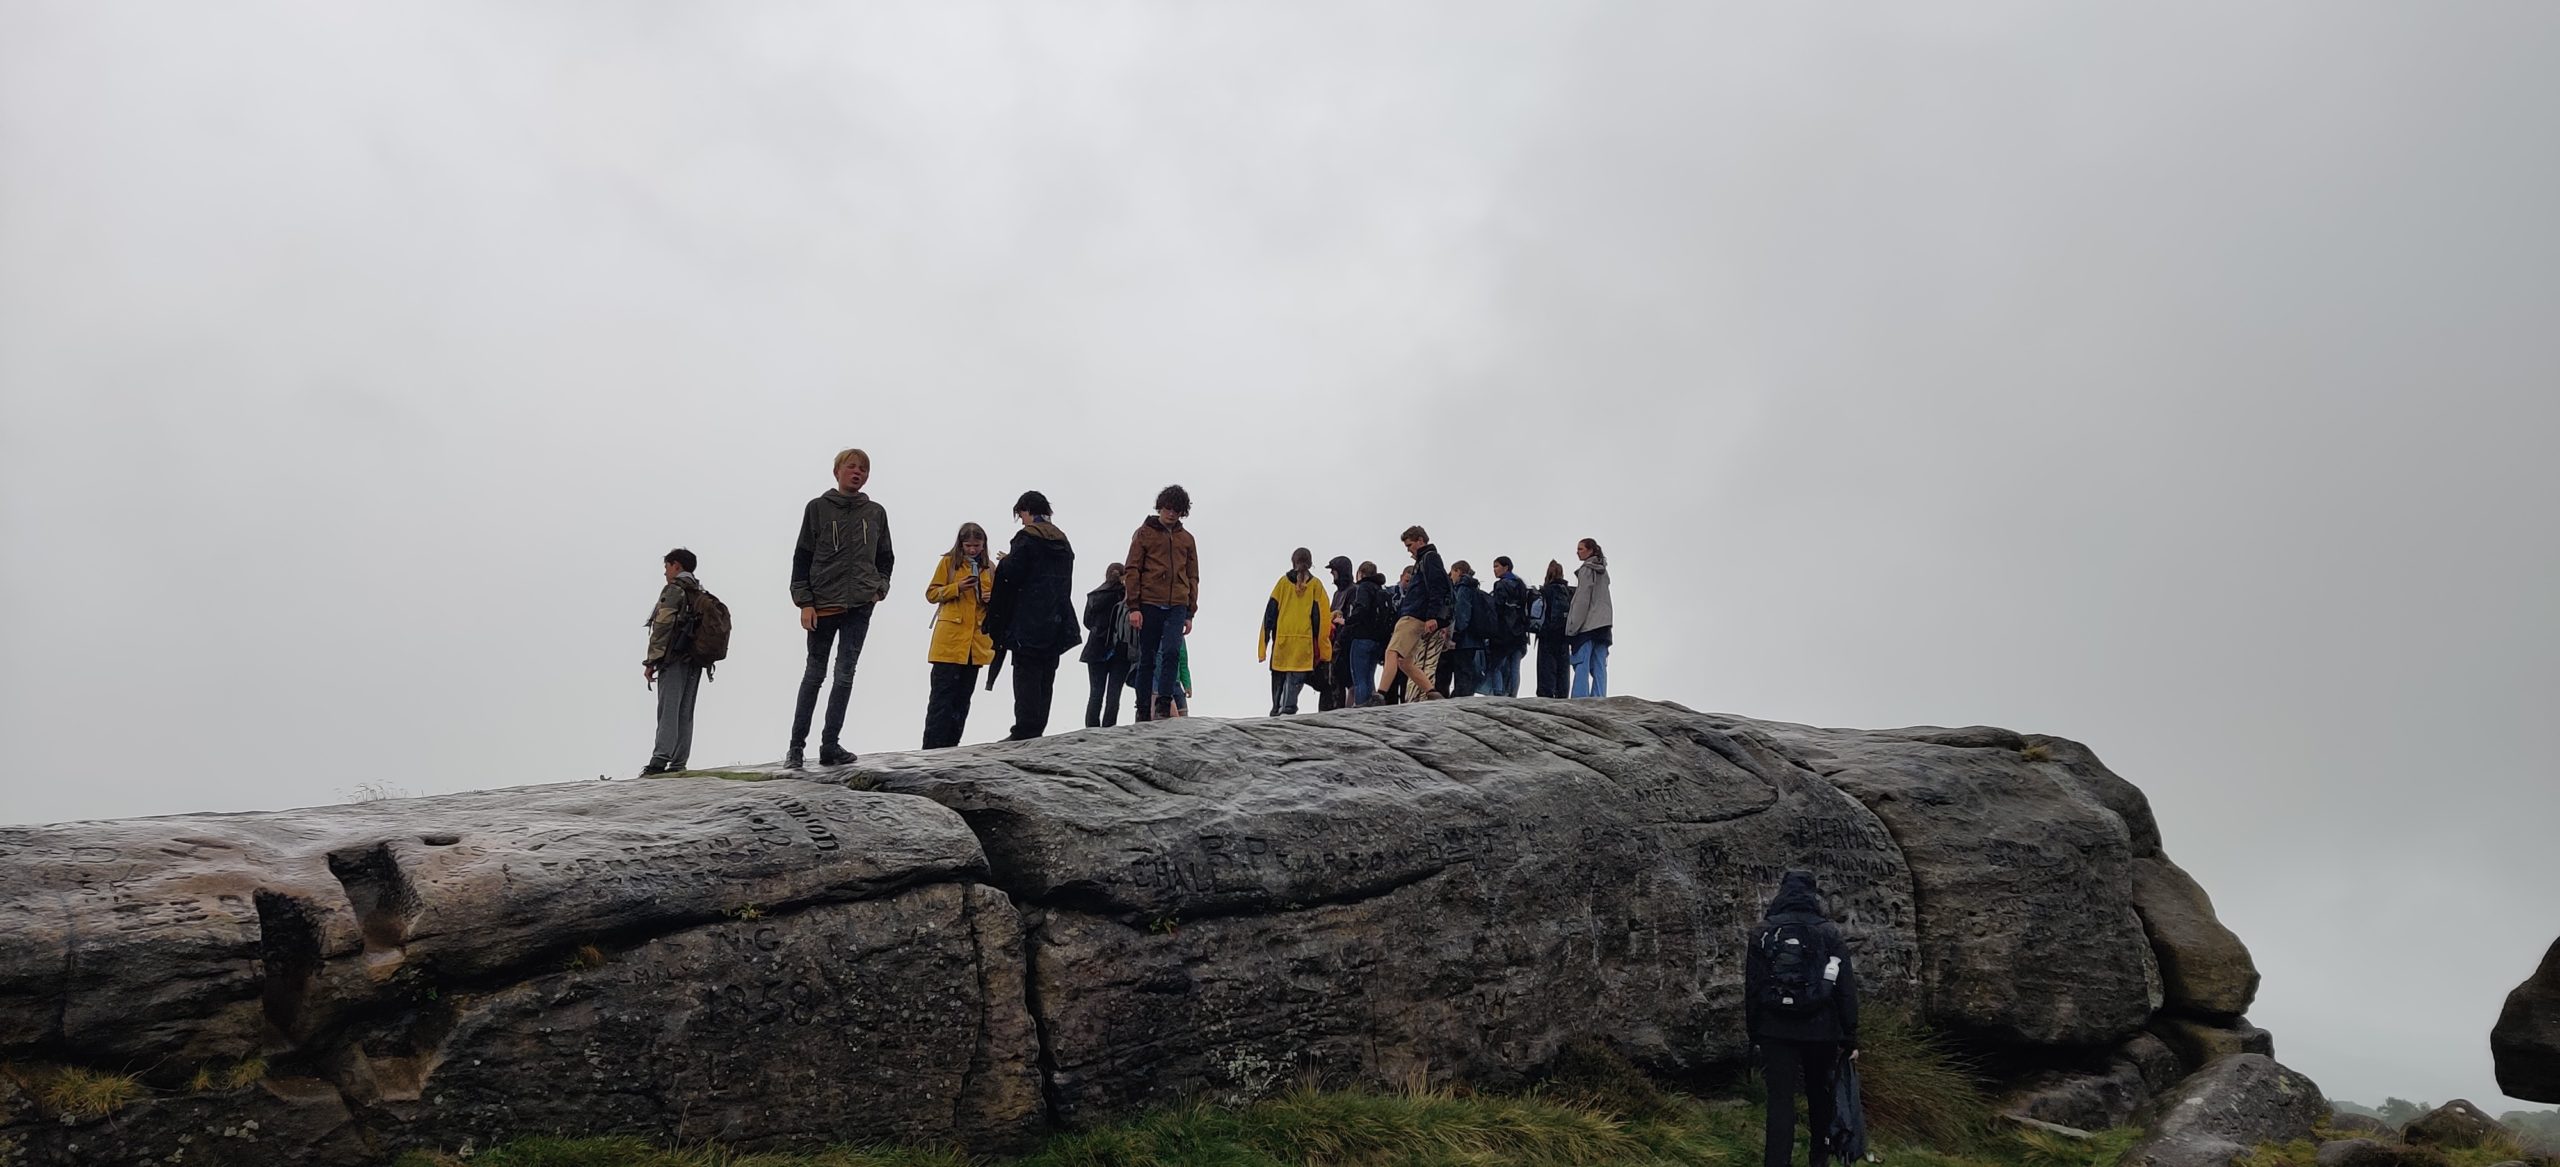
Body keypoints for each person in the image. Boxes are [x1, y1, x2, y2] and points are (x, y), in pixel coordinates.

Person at [1745, 870, 1861, 1167]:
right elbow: (1845, 987)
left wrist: (1754, 1031)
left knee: (1780, 1102)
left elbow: (1753, 986)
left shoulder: (1763, 931)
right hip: (1820, 1029)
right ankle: (1818, 1160)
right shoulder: (1828, 931)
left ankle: (1776, 1163)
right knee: (1819, 1096)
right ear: (1813, 895)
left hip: (1774, 1028)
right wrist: (1850, 1035)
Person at [787, 448, 893, 769]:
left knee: (845, 675)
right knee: (814, 675)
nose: (857, 472)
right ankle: (795, 749)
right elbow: (802, 558)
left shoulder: (875, 512)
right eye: (851, 467)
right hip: (823, 605)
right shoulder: (817, 508)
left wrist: (879, 589)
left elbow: (885, 557)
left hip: (860, 607)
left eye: (863, 468)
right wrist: (804, 601)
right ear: (837, 471)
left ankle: (830, 746)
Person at [984, 491, 1077, 741]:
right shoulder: (1063, 542)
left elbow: (1013, 574)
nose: (1022, 520)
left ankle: (1024, 730)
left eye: (1021, 515)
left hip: (1029, 618)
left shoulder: (1026, 539)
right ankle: (1038, 727)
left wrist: (1004, 563)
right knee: (1047, 675)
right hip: (1057, 617)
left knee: (1026, 674)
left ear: (1025, 510)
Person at [1123, 485, 1200, 722]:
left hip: (1177, 604)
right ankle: (1143, 707)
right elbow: (1132, 569)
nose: (1171, 514)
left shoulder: (1187, 539)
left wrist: (1190, 611)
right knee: (1147, 656)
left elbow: (1193, 575)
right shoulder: (1144, 533)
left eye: (1176, 510)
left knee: (1172, 653)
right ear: (1160, 507)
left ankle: (1165, 705)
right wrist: (1134, 607)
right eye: (1167, 509)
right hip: (1149, 602)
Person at [920, 523, 996, 749]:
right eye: (968, 546)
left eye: (977, 546)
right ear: (960, 544)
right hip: (949, 644)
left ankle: (952, 746)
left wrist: (992, 598)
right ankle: (932, 749)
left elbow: (997, 604)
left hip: (975, 646)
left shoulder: (990, 568)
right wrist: (957, 587)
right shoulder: (948, 563)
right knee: (941, 701)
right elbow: (931, 594)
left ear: (984, 545)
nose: (973, 550)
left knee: (962, 700)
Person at [640, 548, 709, 776]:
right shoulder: (700, 592)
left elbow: (662, 625)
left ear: (676, 565)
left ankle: (659, 760)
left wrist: (651, 661)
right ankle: (679, 762)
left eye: (667, 567)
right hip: (696, 659)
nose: (665, 573)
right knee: (686, 711)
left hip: (674, 657)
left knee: (668, 708)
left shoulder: (674, 590)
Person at [1371, 526, 1450, 705]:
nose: (1408, 550)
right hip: (1419, 616)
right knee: (1404, 662)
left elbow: (1437, 587)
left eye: (1410, 545)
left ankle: (1380, 695)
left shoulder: (1429, 558)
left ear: (1420, 540)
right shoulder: (1426, 559)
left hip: (1414, 615)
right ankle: (1432, 692)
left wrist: (1432, 616)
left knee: (1392, 652)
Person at [1258, 548, 1332, 715]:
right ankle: (1287, 712)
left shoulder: (1282, 583)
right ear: (1311, 563)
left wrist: (1263, 646)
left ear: (1293, 562)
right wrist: (1325, 651)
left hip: (1282, 645)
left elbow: (1269, 614)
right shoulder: (1316, 585)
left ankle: (1276, 712)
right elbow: (1322, 620)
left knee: (1278, 687)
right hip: (1302, 646)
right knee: (1292, 692)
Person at [1080, 562, 1134, 727]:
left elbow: (1087, 621)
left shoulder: (1094, 595)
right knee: (1114, 694)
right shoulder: (1128, 597)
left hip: (1096, 647)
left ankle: (1091, 728)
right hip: (1121, 648)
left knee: (1095, 693)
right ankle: (1109, 727)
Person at [1567, 537, 1614, 698]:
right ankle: (1599, 696)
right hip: (1604, 623)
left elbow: (1582, 599)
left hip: (1588, 624)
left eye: (1581, 549)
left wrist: (1573, 626)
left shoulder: (1586, 570)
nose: (1577, 552)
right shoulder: (1603, 571)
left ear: (1591, 550)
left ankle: (1580, 697)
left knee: (1582, 662)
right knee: (1599, 663)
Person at [1342, 560, 1391, 708]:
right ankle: (1372, 707)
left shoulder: (1363, 587)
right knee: (1370, 676)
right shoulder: (1381, 590)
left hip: (1362, 637)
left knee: (1360, 677)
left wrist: (1347, 621)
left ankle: (1362, 706)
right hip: (1377, 640)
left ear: (1361, 573)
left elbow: (1361, 608)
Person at [1485, 557, 1531, 697]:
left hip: (1503, 631)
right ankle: (1513, 694)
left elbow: (1497, 608)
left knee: (1496, 665)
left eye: (1497, 566)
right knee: (1515, 667)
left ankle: (1498, 693)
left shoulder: (1500, 585)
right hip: (1519, 632)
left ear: (1506, 567)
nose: (1494, 569)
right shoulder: (1521, 585)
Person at [1317, 556, 1357, 712]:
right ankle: (1329, 711)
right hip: (1333, 643)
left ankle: (1340, 711)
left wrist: (1340, 641)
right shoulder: (1337, 594)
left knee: (1342, 680)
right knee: (1331, 680)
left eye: (1334, 571)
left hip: (1344, 644)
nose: (1332, 574)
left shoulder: (1353, 590)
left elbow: (1350, 618)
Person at [1446, 560, 1490, 698]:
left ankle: (1461, 697)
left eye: (1452, 572)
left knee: (1462, 670)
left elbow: (1461, 613)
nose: (1451, 576)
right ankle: (1463, 695)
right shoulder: (1473, 587)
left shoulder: (1463, 588)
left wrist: (1456, 634)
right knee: (1467, 669)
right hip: (1473, 638)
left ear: (1458, 571)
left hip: (1464, 639)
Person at [1533, 560, 1574, 699]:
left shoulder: (1545, 591)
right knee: (1563, 665)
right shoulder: (1568, 592)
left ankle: (1546, 693)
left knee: (1546, 665)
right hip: (1564, 633)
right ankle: (1562, 694)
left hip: (1547, 633)